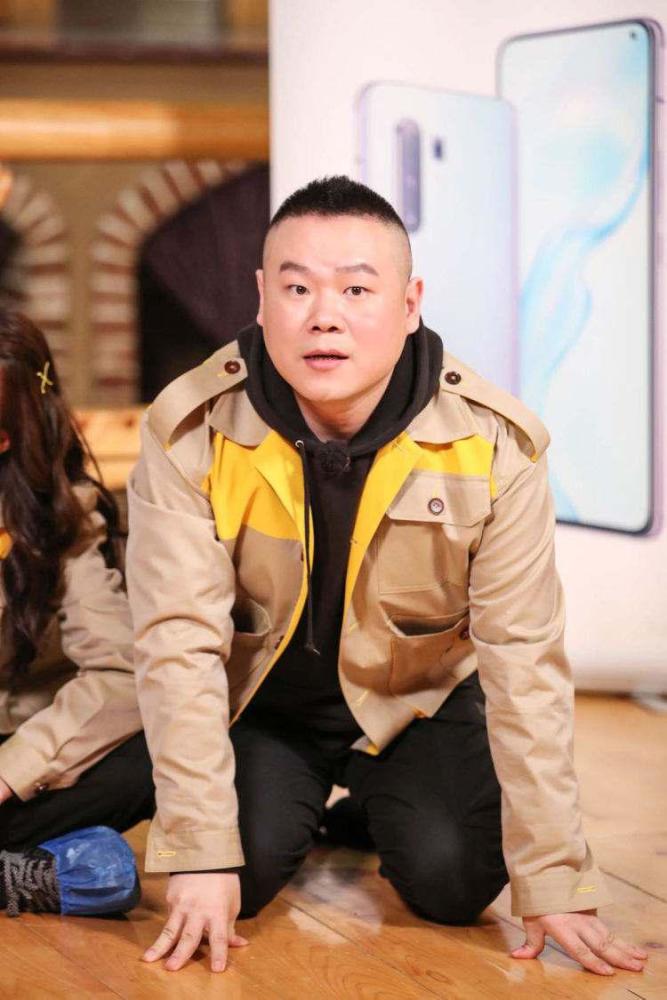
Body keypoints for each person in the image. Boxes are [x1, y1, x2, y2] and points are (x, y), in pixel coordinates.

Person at [127, 176, 648, 977]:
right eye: (296, 288)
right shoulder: (188, 428)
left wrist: (553, 877)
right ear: (261, 299)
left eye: (356, 289)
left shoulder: (493, 443)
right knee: (233, 876)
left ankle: (374, 806)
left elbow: (523, 661)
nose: (323, 316)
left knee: (453, 882)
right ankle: (301, 808)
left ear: (409, 305)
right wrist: (198, 851)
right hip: (267, 706)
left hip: (417, 703)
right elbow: (177, 644)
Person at [0, 310, 154, 914]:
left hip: (23, 752)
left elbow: (122, 676)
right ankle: (37, 876)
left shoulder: (64, 520)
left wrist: (12, 770)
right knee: (102, 872)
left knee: (150, 760)